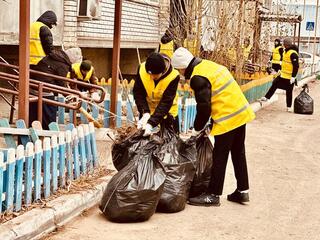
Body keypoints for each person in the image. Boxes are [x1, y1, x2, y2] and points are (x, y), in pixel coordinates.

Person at [171, 47, 255, 206]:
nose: (180, 74)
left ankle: (213, 195)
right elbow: (218, 96)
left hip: (227, 117)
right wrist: (209, 124)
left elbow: (204, 108)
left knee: (219, 155)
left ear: (182, 67)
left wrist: (196, 130)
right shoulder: (209, 66)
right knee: (238, 152)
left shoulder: (198, 77)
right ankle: (242, 192)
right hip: (239, 112)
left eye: (179, 70)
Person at [133, 52, 180, 136]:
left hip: (168, 112)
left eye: (155, 75)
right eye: (149, 74)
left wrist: (151, 123)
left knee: (171, 142)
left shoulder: (174, 76)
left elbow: (166, 102)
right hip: (148, 109)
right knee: (141, 140)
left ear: (162, 71)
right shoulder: (142, 69)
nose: (151, 77)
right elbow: (138, 93)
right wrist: (145, 112)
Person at [30, 50, 71, 129]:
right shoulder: (63, 65)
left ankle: (34, 128)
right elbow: (61, 82)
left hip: (33, 86)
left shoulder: (52, 57)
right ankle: (48, 131)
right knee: (49, 112)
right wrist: (69, 95)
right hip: (44, 90)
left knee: (35, 112)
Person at [261, 38, 299, 112]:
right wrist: (281, 65)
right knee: (275, 84)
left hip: (289, 76)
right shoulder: (286, 51)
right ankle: (266, 97)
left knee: (289, 91)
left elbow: (296, 66)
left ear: (286, 44)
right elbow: (284, 60)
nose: (282, 45)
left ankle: (289, 107)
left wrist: (293, 77)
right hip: (283, 74)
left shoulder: (293, 53)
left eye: (283, 43)